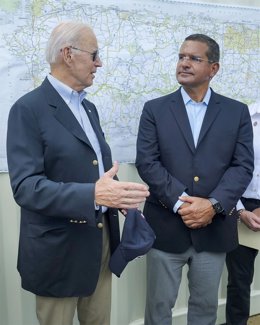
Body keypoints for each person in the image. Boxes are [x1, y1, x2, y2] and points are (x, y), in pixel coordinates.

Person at [6, 21, 149, 325]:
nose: (100, 63)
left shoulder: (89, 108)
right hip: (58, 252)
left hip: (100, 245)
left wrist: (118, 195)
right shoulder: (28, 109)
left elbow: (93, 169)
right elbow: (26, 188)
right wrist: (94, 194)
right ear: (68, 54)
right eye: (94, 54)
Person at [135, 33, 254, 325]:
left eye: (194, 58)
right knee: (159, 309)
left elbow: (242, 166)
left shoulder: (236, 112)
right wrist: (184, 203)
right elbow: (147, 163)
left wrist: (212, 206)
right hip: (166, 227)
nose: (184, 63)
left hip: (213, 231)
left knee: (205, 309)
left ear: (213, 68)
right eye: (181, 57)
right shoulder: (155, 109)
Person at [222, 101, 260, 325]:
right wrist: (240, 210)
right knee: (239, 278)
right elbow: (227, 166)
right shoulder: (242, 115)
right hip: (241, 202)